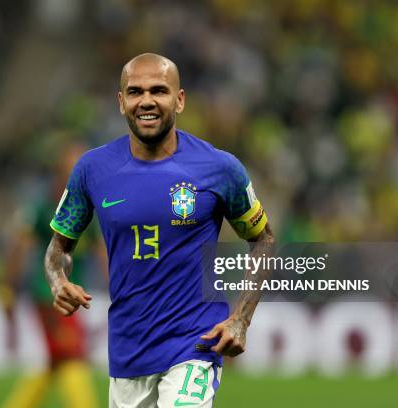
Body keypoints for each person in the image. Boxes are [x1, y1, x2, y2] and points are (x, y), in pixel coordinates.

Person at [46, 53, 274, 407]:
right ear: (121, 102)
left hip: (194, 344)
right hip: (128, 352)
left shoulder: (219, 168)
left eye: (159, 91)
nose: (147, 101)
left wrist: (240, 319)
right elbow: (58, 248)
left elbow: (263, 241)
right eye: (135, 92)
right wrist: (58, 280)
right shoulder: (92, 170)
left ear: (179, 100)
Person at [0, 143, 98, 408]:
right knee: (73, 356)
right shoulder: (43, 208)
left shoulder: (92, 208)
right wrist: (7, 287)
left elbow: (104, 252)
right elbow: (19, 247)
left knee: (56, 361)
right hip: (49, 294)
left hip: (77, 294)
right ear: (59, 172)